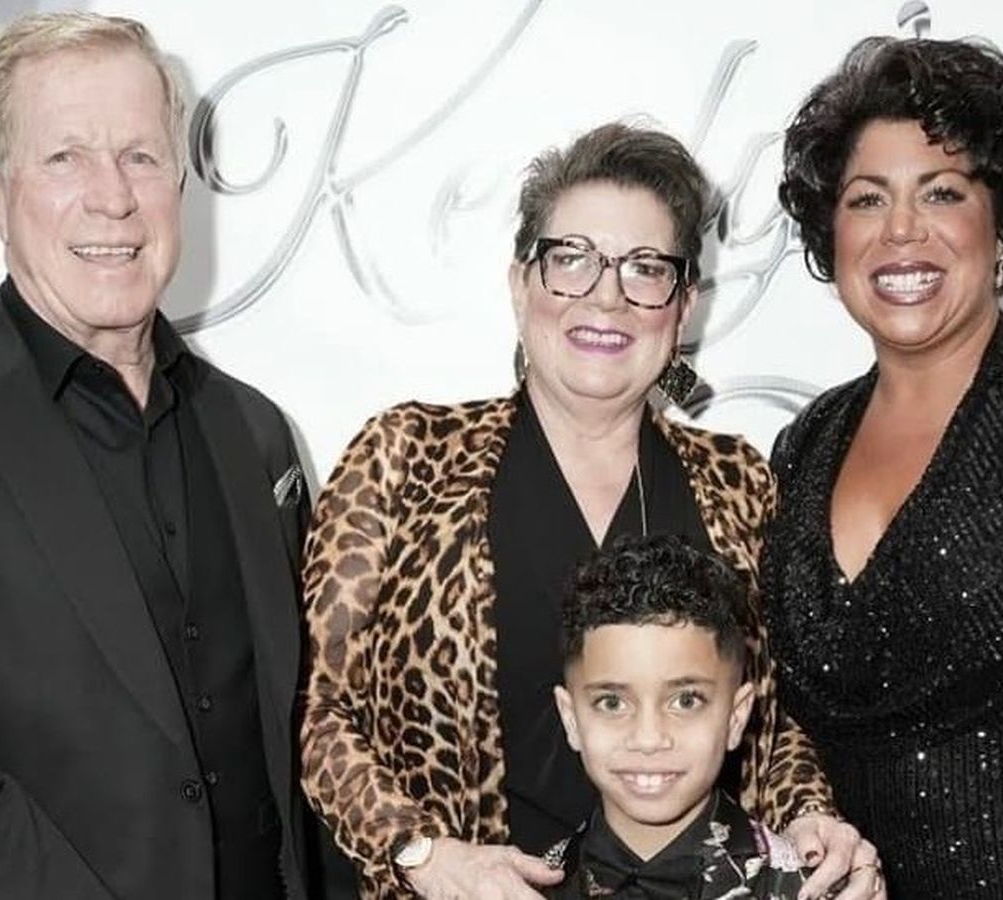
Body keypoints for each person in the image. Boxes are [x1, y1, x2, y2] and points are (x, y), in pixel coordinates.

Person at [300, 122, 881, 899]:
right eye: (571, 259)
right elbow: (318, 709)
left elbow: (772, 726)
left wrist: (811, 815)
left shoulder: (739, 483)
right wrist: (422, 855)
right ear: (521, 284)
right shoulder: (405, 457)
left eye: (645, 268)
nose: (607, 296)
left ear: (683, 305)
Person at [0, 13, 313, 899]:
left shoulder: (255, 432)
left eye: (141, 155)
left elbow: (298, 742)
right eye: (65, 157)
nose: (113, 197)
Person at [766, 35, 1003, 897]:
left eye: (942, 191)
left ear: (1001, 220)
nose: (901, 230)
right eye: (867, 199)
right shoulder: (805, 444)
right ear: (832, 232)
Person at [546, 533, 818, 899]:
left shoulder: (811, 890)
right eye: (612, 703)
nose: (648, 739)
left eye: (686, 701)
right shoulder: (523, 890)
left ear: (736, 717)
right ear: (571, 719)